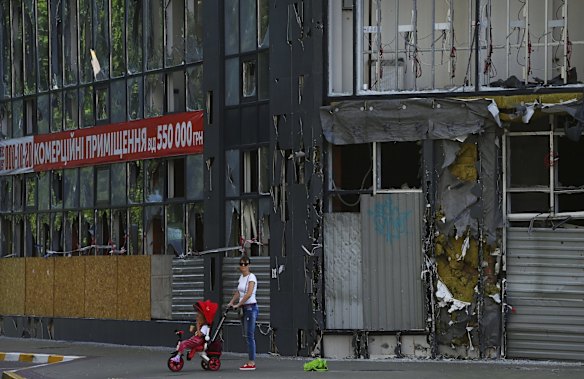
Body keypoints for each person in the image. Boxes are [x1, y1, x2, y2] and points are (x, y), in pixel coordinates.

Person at [228, 255, 258, 371]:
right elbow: (238, 292)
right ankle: (251, 360)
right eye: (241, 264)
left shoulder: (252, 277)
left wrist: (238, 304)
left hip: (251, 308)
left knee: (250, 335)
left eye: (245, 264)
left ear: (249, 265)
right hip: (244, 309)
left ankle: (251, 362)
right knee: (246, 334)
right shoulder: (241, 278)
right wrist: (231, 302)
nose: (243, 266)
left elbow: (249, 293)